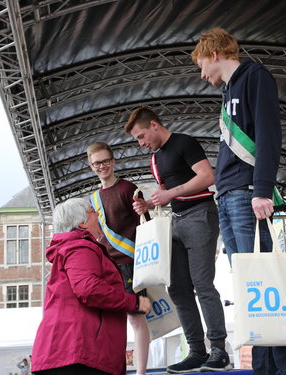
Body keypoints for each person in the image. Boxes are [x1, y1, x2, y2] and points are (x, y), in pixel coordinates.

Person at [192, 28, 286, 375]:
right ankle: (263, 369)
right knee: (251, 291)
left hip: (246, 193)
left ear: (213, 54)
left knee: (266, 286)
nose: (201, 74)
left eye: (200, 65)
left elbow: (270, 135)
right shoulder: (227, 92)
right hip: (227, 196)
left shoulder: (255, 76)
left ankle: (283, 369)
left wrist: (263, 190)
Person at [125, 107, 232, 373]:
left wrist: (171, 193)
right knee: (178, 289)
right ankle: (197, 351)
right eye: (137, 139)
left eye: (141, 136)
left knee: (202, 284)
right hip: (176, 222)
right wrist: (148, 203)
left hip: (200, 216)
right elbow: (164, 193)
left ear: (153, 125)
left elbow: (208, 177)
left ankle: (219, 350)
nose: (141, 143)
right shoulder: (154, 159)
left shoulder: (184, 142)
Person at [31, 197, 151, 375]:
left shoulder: (70, 248)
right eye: (92, 212)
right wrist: (134, 302)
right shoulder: (80, 248)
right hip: (80, 354)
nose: (97, 214)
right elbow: (88, 288)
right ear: (82, 223)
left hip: (66, 353)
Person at [86, 141, 150, 375]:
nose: (102, 166)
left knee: (136, 319)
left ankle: (141, 372)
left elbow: (145, 223)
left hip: (132, 264)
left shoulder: (127, 189)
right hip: (108, 267)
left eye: (105, 161)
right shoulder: (93, 199)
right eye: (96, 163)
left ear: (113, 162)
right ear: (90, 166)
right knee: (112, 322)